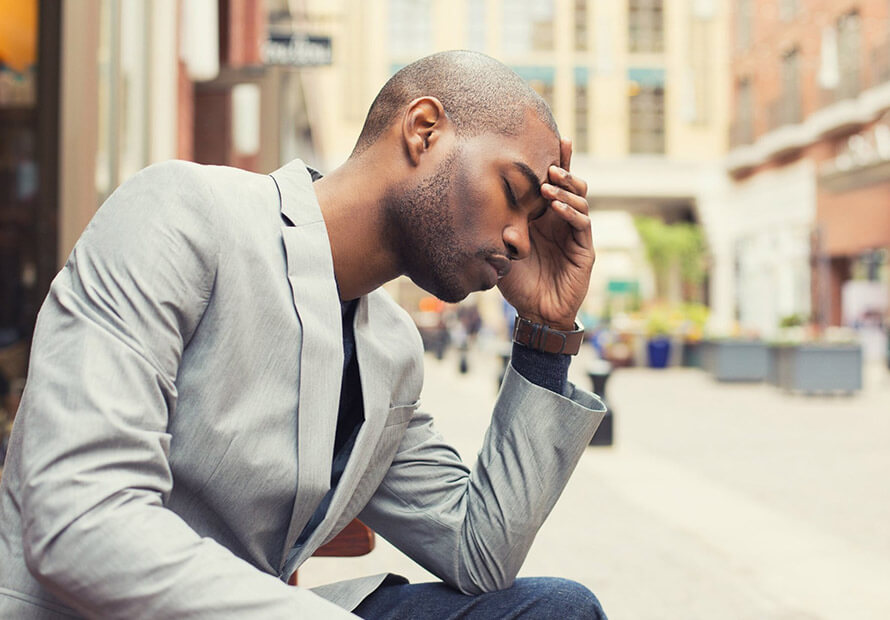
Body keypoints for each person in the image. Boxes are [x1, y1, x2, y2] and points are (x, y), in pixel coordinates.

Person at [0, 51, 607, 618]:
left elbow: (481, 556)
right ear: (424, 130)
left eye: (532, 221)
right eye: (513, 193)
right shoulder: (185, 213)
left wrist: (545, 333)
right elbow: (79, 520)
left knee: (558, 609)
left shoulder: (389, 350)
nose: (521, 241)